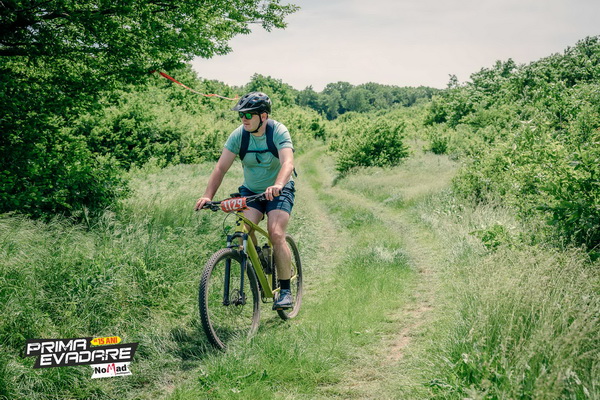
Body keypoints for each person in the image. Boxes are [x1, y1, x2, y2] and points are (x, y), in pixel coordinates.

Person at [194, 91, 296, 310]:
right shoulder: (239, 136)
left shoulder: (278, 131)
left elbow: (288, 163)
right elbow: (221, 168)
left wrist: (278, 184)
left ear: (263, 116)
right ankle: (259, 261)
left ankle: (286, 291)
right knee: (242, 233)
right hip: (251, 192)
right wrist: (207, 196)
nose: (244, 119)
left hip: (279, 190)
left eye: (249, 115)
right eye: (241, 114)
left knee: (276, 233)